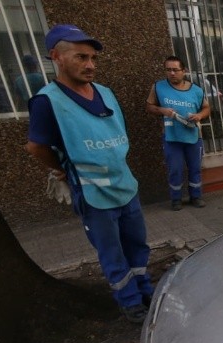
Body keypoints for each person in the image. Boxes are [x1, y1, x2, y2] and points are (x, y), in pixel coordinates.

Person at [24, 24, 154, 324]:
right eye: (81, 57)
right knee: (112, 253)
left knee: (137, 244)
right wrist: (61, 171)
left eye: (93, 58)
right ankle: (131, 303)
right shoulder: (47, 101)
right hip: (93, 193)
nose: (90, 65)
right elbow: (36, 146)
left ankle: (146, 291)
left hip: (125, 186)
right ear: (56, 56)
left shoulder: (105, 93)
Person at [146, 56, 210, 210]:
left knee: (195, 168)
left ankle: (196, 196)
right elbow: (149, 106)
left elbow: (206, 108)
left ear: (184, 71)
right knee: (175, 169)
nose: (172, 73)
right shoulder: (158, 87)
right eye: (168, 70)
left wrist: (199, 116)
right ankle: (176, 199)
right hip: (171, 137)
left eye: (175, 70)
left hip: (194, 137)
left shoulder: (197, 90)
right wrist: (161, 110)